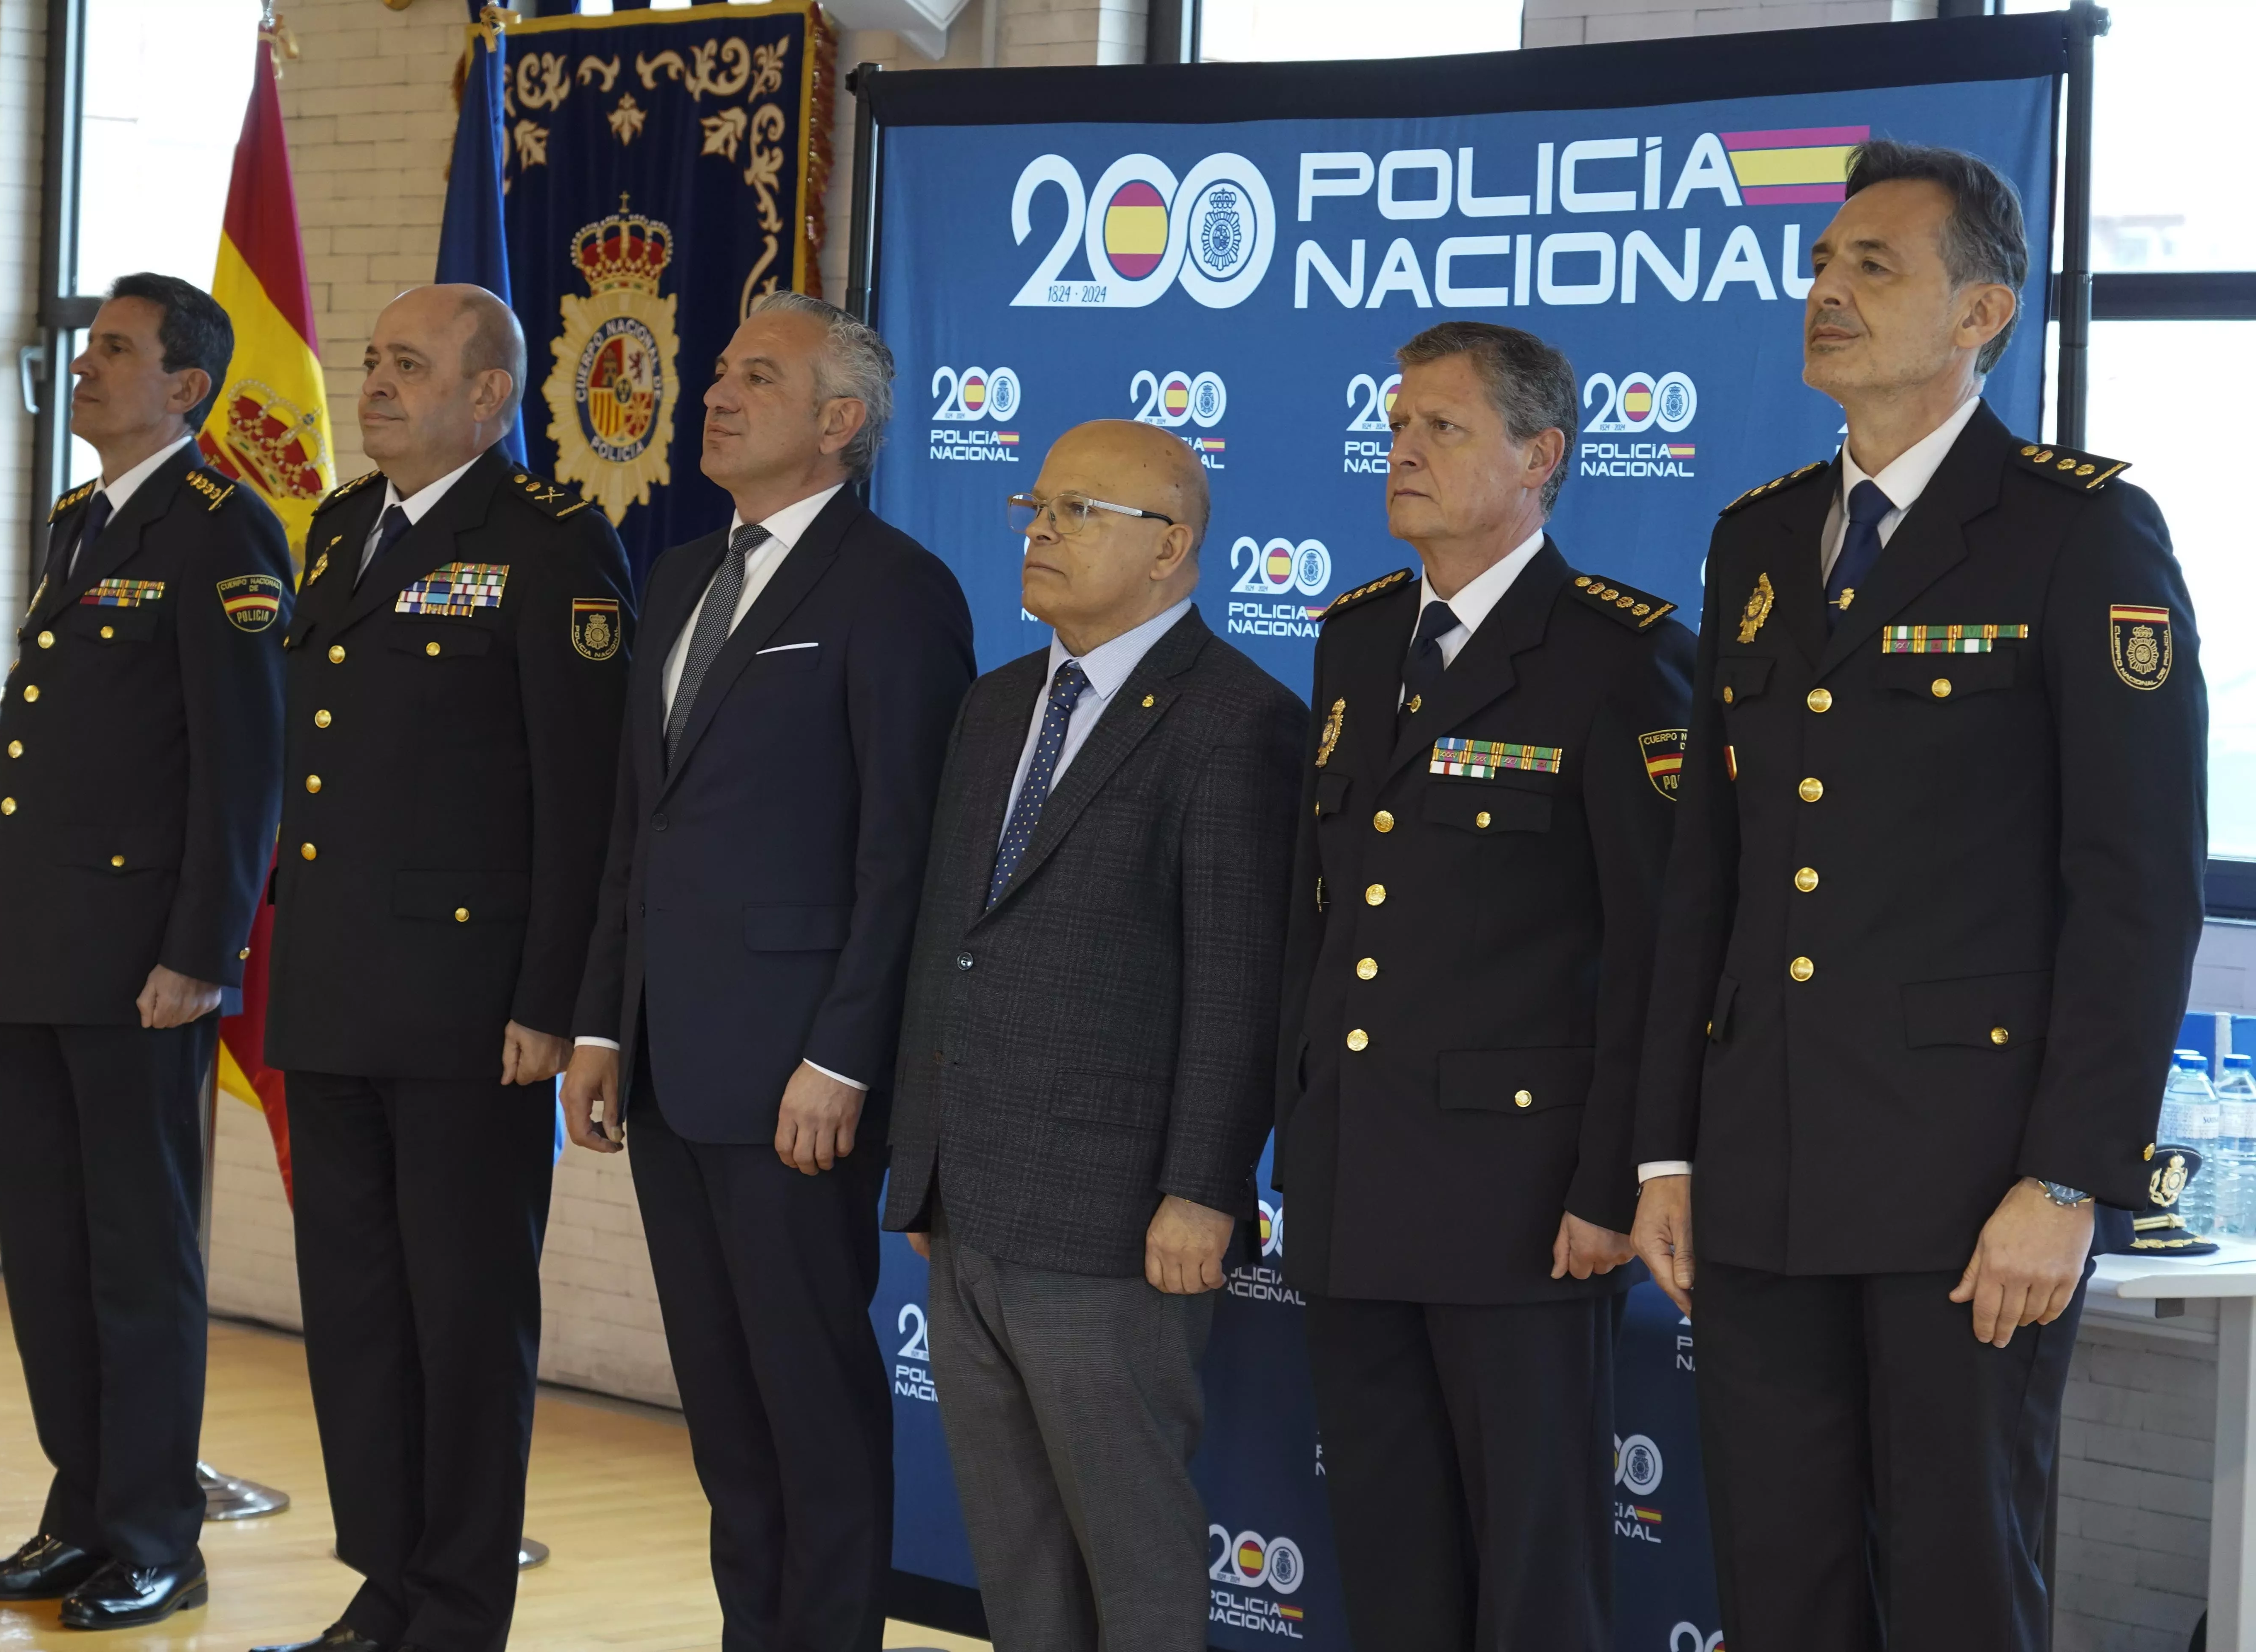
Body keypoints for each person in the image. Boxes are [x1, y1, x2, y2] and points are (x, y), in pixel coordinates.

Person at [1632, 140, 2207, 1652]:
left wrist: (2069, 1176)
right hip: (1761, 1165)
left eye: (1871, 267)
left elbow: (2136, 889)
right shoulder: (1757, 537)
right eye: (1822, 264)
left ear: (1980, 314)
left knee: (1958, 1584)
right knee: (1777, 1585)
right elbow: (1712, 868)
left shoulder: (2076, 530)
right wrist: (1668, 1156)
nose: (1825, 290)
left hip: (1971, 1186)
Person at [558, 291, 973, 1652]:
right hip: (672, 1062)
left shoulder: (895, 589)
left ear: (840, 423)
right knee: (726, 1408)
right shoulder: (677, 575)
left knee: (811, 1398)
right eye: (721, 373)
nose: (716, 397)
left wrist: (845, 1055)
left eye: (758, 378)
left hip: (800, 1073)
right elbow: (636, 825)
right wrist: (601, 1026)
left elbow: (900, 855)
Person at [1274, 321, 1692, 1650]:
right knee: (1389, 1551)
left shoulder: (1618, 658)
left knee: (1533, 1565)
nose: (1402, 447)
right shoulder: (1353, 640)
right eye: (1398, 423)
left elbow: (1655, 947)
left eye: (1441, 427)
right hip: (1355, 1178)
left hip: (1522, 1197)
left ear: (1539, 456)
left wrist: (1610, 1179)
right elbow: (1320, 918)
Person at [248, 285, 632, 1652]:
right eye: (370, 364)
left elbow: (582, 799)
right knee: (355, 1312)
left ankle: (458, 1610)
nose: (376, 386)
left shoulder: (548, 543)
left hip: (476, 1010)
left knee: (463, 1318)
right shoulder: (344, 526)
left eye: (410, 367)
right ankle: (384, 1585)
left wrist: (552, 998)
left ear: (490, 396)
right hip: (338, 985)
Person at [882, 419, 1300, 1652]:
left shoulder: (1238, 722)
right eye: (1037, 505)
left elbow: (1237, 986)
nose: (1041, 531)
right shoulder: (999, 703)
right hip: (966, 1199)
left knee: (1133, 1551)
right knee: (1013, 1552)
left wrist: (1201, 1190)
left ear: (1171, 546)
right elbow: (951, 945)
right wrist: (922, 1162)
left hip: (1117, 1218)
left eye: (1079, 511)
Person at [0, 273, 288, 1629]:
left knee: (139, 1260)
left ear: (187, 387)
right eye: (88, 347)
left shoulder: (225, 528)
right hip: (38, 945)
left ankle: (156, 1534)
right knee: (49, 1254)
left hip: (144, 966)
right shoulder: (81, 521)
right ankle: (77, 1512)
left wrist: (201, 949)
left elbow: (243, 767)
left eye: (116, 351)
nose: (87, 367)